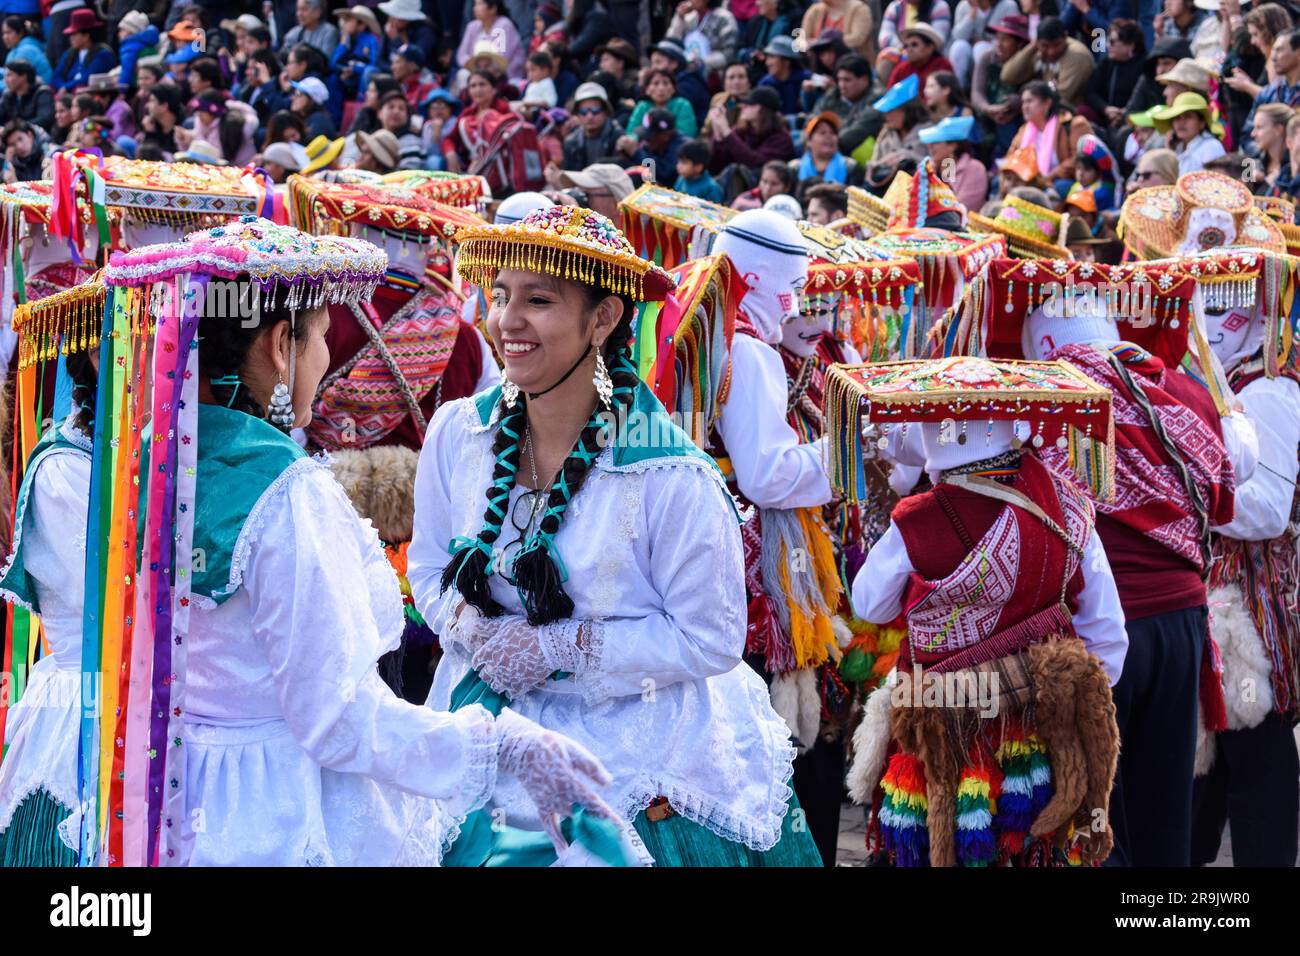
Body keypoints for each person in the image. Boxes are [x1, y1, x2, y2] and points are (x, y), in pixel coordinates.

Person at [75, 217, 616, 866]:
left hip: (175, 789)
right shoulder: (286, 493)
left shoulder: (150, 462)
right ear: (281, 345)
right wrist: (498, 746)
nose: (327, 360)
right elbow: (334, 719)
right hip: (280, 807)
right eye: (324, 338)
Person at [410, 205, 820, 866]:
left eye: (538, 301)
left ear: (603, 319)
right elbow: (429, 568)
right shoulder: (459, 433)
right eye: (500, 296)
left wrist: (557, 648)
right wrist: (474, 632)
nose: (508, 321)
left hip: (636, 747)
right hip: (484, 727)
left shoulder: (671, 476)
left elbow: (710, 637)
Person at [848, 355, 1126, 867]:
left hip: (939, 731)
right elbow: (1108, 635)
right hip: (1038, 734)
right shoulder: (1069, 504)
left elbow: (868, 602)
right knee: (1032, 849)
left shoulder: (918, 519)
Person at [1191, 269, 1300, 868]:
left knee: (1255, 745)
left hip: (1251, 610)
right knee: (1219, 753)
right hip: (1226, 600)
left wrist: (1183, 490)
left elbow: (1266, 511)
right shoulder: (1232, 381)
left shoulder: (1268, 390)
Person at [1007, 81, 1094, 189]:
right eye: (1023, 102)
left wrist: (1050, 176)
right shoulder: (1024, 130)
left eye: (1029, 101)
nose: (1025, 107)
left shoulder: (1074, 124)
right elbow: (1011, 157)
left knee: (1060, 186)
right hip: (1029, 181)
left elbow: (1080, 158)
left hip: (1061, 181)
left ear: (1047, 103)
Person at [1000, 16, 1095, 109]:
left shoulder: (1077, 54)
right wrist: (1031, 47)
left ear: (1065, 37)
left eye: (1056, 45)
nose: (1051, 51)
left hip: (1070, 111)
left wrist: (1022, 100)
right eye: (1045, 46)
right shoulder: (1036, 50)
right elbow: (1007, 76)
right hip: (1042, 108)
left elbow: (1062, 96)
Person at [973, 13, 1031, 156]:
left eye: (1005, 40)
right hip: (987, 116)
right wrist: (988, 108)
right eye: (998, 38)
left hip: (1014, 120)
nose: (998, 44)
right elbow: (976, 92)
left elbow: (1031, 92)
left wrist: (1015, 104)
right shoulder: (987, 58)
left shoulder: (1030, 64)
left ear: (1020, 43)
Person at [811, 54, 881, 162]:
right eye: (839, 80)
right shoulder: (832, 96)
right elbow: (812, 121)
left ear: (864, 80)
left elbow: (855, 134)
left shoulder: (878, 100)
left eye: (847, 80)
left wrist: (821, 145)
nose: (841, 85)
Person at [864, 73, 928, 188]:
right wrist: (885, 162)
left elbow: (946, 168)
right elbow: (871, 167)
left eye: (891, 111)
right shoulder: (885, 134)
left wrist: (907, 157)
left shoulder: (931, 132)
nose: (886, 117)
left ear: (907, 110)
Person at [442, 69, 511, 173]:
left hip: (501, 166)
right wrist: (450, 153)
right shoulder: (467, 114)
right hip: (470, 166)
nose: (477, 90)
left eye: (482, 84)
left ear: (494, 89)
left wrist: (483, 160)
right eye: (473, 86)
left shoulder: (505, 111)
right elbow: (449, 139)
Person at [1088, 19, 1147, 131]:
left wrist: (1126, 113)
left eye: (1112, 41)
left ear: (1130, 45)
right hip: (1107, 116)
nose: (1107, 45)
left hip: (1134, 119)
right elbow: (1091, 92)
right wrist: (1105, 108)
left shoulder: (1146, 66)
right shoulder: (1107, 63)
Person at [921, 114, 989, 210]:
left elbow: (964, 208)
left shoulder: (974, 169)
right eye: (929, 143)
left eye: (935, 142)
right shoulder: (929, 169)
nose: (930, 147)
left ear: (953, 145)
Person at [1152, 91, 1226, 173]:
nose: (1181, 122)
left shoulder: (1211, 146)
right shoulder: (1177, 148)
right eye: (1177, 118)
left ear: (1202, 123)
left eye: (1188, 116)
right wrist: (1169, 152)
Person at [947, 0, 1019, 85]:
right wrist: (972, 14)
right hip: (970, 59)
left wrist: (982, 42)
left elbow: (1012, 37)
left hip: (995, 58)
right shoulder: (963, 6)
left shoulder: (1007, 5)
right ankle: (957, 88)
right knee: (959, 46)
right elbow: (958, 36)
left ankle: (984, 88)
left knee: (980, 47)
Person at [558, 81, 623, 172]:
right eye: (584, 112)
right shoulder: (571, 142)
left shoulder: (618, 137)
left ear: (606, 111)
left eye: (595, 110)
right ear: (577, 114)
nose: (590, 116)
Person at [456, 0, 526, 83]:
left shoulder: (504, 25)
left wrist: (485, 68)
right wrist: (474, 65)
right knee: (462, 74)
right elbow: (461, 55)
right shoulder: (472, 27)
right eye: (475, 4)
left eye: (479, 4)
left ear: (493, 8)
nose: (475, 8)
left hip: (505, 76)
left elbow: (502, 57)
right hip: (477, 70)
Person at [51, 8, 115, 93]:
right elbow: (56, 76)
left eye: (74, 34)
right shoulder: (70, 53)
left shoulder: (103, 54)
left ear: (86, 36)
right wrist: (62, 87)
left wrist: (66, 88)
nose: (71, 38)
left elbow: (87, 78)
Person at [793, 111, 863, 188]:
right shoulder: (795, 169)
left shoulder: (851, 167)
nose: (828, 136)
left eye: (833, 133)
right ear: (808, 140)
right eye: (822, 133)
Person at [666, 0, 740, 73]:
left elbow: (728, 54)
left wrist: (701, 62)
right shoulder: (689, 18)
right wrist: (679, 17)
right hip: (686, 71)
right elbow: (671, 43)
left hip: (714, 72)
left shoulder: (724, 18)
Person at [627, 68, 697, 138]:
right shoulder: (642, 106)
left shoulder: (682, 105)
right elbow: (631, 133)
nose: (661, 88)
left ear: (673, 89)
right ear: (647, 90)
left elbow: (687, 134)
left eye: (666, 83)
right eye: (656, 83)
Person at [332, 5, 382, 101]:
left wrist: (354, 69)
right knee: (333, 79)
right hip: (349, 77)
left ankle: (362, 107)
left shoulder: (372, 40)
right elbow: (333, 64)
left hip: (362, 76)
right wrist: (342, 45)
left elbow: (374, 64)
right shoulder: (347, 40)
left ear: (361, 25)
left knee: (368, 72)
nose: (344, 24)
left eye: (348, 20)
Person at [803, 0, 876, 63]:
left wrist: (818, 43)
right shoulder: (814, 10)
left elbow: (857, 39)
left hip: (852, 68)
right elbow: (803, 40)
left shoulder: (859, 9)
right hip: (820, 69)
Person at [885, 22, 954, 88]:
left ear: (930, 48)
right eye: (906, 46)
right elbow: (890, 97)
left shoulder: (942, 66)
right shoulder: (900, 70)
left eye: (914, 45)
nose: (909, 49)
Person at [756, 34, 810, 116]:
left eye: (772, 57)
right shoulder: (765, 84)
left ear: (786, 61)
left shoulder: (806, 79)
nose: (767, 63)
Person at [1249, 102, 1294, 192]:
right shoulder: (1255, 159)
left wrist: (1267, 184)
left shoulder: (1293, 168)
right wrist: (1248, 180)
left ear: (1278, 129)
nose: (1252, 134)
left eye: (1259, 127)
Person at [0, 59, 52, 130]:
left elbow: (45, 119)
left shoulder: (42, 93)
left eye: (10, 75)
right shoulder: (8, 95)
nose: (6, 80)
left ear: (23, 77)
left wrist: (17, 128)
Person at [731, 157, 797, 209]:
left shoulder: (790, 208)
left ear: (787, 187)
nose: (767, 188)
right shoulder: (745, 199)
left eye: (774, 184)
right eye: (764, 181)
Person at [3, 15, 50, 85]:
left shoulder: (27, 50)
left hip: (40, 91)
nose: (5, 37)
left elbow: (13, 82)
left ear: (20, 33)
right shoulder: (13, 52)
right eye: (3, 33)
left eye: (9, 32)